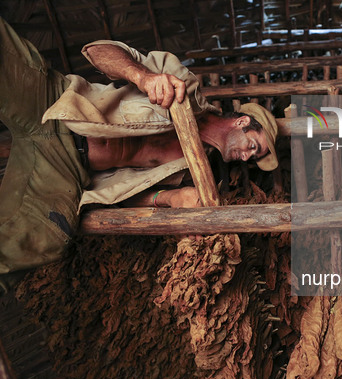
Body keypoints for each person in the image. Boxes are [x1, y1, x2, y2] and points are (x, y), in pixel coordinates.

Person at [0, 16, 279, 277]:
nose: (246, 157)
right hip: (55, 100)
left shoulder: (188, 172)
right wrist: (143, 77)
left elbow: (126, 197)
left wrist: (172, 198)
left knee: (42, 240)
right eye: (253, 147)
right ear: (242, 122)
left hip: (63, 166)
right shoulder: (183, 84)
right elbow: (99, 50)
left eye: (253, 159)